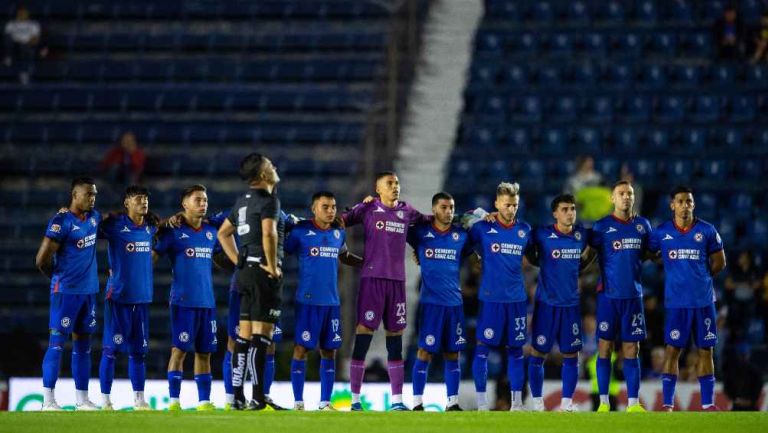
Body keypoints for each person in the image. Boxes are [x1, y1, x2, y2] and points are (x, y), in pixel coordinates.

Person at [342, 171, 430, 411]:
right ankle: (355, 400)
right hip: (372, 280)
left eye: (397, 183)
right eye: (389, 183)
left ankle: (397, 401)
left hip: (397, 283)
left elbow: (428, 222)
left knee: (395, 340)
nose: (395, 187)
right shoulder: (368, 209)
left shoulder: (407, 211)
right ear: (378, 188)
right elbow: (340, 221)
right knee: (364, 335)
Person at [648, 185, 727, 411]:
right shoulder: (662, 232)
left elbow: (720, 262)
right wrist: (667, 265)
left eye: (689, 201)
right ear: (672, 205)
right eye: (680, 201)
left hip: (703, 302)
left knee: (705, 350)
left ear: (694, 204)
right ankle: (667, 404)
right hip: (676, 303)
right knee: (672, 350)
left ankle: (708, 404)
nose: (685, 206)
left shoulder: (707, 231)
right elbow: (650, 253)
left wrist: (703, 278)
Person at [217, 153, 285, 411]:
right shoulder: (269, 200)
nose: (274, 166)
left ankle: (237, 396)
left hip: (245, 273)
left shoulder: (242, 201)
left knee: (244, 335)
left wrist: (238, 261)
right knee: (262, 334)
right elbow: (268, 233)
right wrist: (270, 264)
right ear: (261, 175)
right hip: (262, 273)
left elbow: (223, 233)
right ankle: (257, 396)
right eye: (270, 164)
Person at [285, 191, 362, 410]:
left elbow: (344, 256)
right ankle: (298, 402)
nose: (330, 211)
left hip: (332, 302)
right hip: (307, 301)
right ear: (314, 209)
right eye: (325, 207)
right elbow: (283, 251)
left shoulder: (339, 232)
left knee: (330, 350)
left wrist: (366, 263)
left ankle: (325, 402)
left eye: (333, 207)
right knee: (301, 349)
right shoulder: (301, 231)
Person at [35, 177, 101, 410]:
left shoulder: (94, 218)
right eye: (87, 194)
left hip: (89, 292)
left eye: (94, 194)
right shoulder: (61, 222)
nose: (92, 199)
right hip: (66, 293)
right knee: (57, 343)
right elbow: (41, 260)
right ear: (74, 195)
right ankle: (48, 401)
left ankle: (82, 400)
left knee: (83, 345)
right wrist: (58, 279)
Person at [588, 181, 652, 412]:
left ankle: (633, 404)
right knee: (605, 348)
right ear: (612, 199)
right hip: (608, 296)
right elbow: (588, 253)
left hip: (633, 297)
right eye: (621, 193)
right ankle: (603, 403)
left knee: (631, 350)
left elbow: (648, 252)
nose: (626, 197)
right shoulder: (601, 227)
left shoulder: (643, 225)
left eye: (630, 194)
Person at [467, 183, 533, 411]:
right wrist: (480, 214)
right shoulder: (483, 227)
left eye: (514, 205)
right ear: (496, 204)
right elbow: (456, 220)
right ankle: (482, 403)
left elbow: (535, 256)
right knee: (482, 348)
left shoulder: (525, 230)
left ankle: (516, 403)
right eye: (506, 205)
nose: (511, 209)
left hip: (516, 299)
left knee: (516, 350)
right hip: (491, 298)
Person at [153, 185, 218, 411]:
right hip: (183, 301)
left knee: (204, 353)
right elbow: (151, 257)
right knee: (178, 350)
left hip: (207, 302)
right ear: (185, 204)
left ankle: (203, 401)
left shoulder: (212, 232)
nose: (203, 204)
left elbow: (223, 254)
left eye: (205, 200)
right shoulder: (173, 233)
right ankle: (174, 401)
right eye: (198, 200)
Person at [528, 194, 593, 412]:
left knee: (571, 355)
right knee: (538, 352)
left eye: (572, 208)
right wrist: (540, 261)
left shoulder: (581, 234)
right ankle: (537, 402)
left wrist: (582, 265)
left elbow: (595, 248)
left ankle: (567, 403)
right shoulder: (542, 234)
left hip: (571, 306)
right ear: (555, 213)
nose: (570, 213)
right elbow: (529, 252)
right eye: (564, 209)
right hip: (546, 304)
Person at [408, 192, 472, 412]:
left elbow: (474, 252)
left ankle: (452, 402)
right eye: (444, 207)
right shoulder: (420, 233)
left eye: (451, 207)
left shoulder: (461, 236)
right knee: (424, 351)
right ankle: (417, 403)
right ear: (434, 209)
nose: (448, 211)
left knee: (453, 353)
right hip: (431, 304)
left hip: (454, 304)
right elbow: (398, 227)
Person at [98, 186, 157, 410]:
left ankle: (139, 400)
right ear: (126, 203)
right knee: (111, 350)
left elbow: (168, 228)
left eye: (145, 198)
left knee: (139, 352)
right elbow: (89, 228)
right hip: (119, 297)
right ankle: (105, 400)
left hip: (142, 298)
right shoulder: (114, 226)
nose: (143, 202)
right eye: (138, 198)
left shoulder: (151, 227)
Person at [3, 6, 46, 84]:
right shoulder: (11, 24)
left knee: (27, 48)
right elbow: (7, 38)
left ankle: (24, 73)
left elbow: (35, 39)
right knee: (9, 42)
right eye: (20, 13)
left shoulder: (33, 24)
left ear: (28, 14)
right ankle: (8, 57)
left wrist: (27, 43)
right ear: (17, 14)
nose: (22, 14)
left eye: (24, 13)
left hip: (28, 45)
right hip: (14, 46)